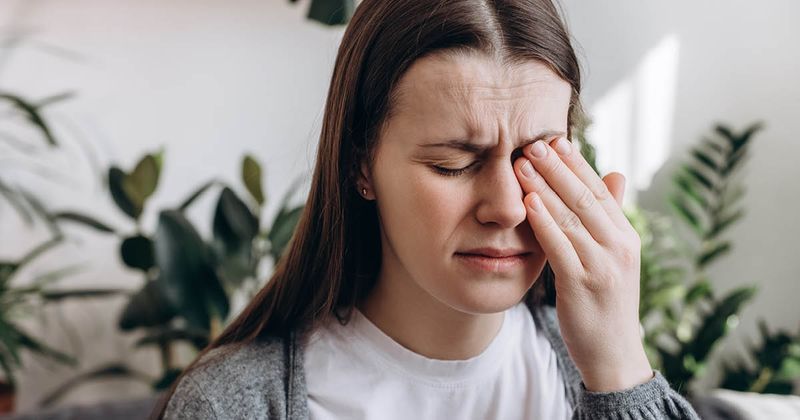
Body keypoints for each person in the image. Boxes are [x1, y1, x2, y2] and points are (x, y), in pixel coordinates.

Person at [153, 0, 701, 418]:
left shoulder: (600, 378)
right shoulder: (237, 402)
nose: (507, 207)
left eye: (534, 158)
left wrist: (624, 373)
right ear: (360, 165)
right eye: (453, 164)